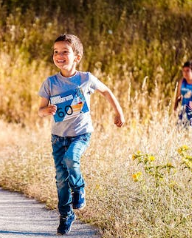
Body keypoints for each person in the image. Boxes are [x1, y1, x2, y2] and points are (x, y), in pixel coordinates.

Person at [38, 34, 125, 235]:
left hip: (81, 134)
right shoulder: (50, 83)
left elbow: (106, 91)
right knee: (60, 178)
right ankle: (66, 215)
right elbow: (40, 109)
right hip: (58, 137)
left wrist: (118, 112)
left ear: (77, 57)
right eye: (56, 52)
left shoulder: (85, 78)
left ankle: (79, 188)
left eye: (65, 52)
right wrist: (47, 111)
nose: (59, 55)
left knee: (71, 159)